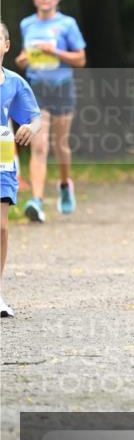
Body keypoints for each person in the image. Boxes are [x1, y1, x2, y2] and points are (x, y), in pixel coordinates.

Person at [15, 0, 86, 221]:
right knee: (39, 145)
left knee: (60, 145)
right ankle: (36, 201)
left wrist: (54, 51)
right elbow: (24, 56)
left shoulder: (67, 24)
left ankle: (65, 184)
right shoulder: (27, 24)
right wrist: (22, 60)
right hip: (37, 90)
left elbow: (81, 59)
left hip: (62, 88)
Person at [0, 22, 42, 317]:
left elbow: (35, 118)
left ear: (6, 45)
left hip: (2, 163)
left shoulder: (14, 83)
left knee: (1, 228)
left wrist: (30, 127)